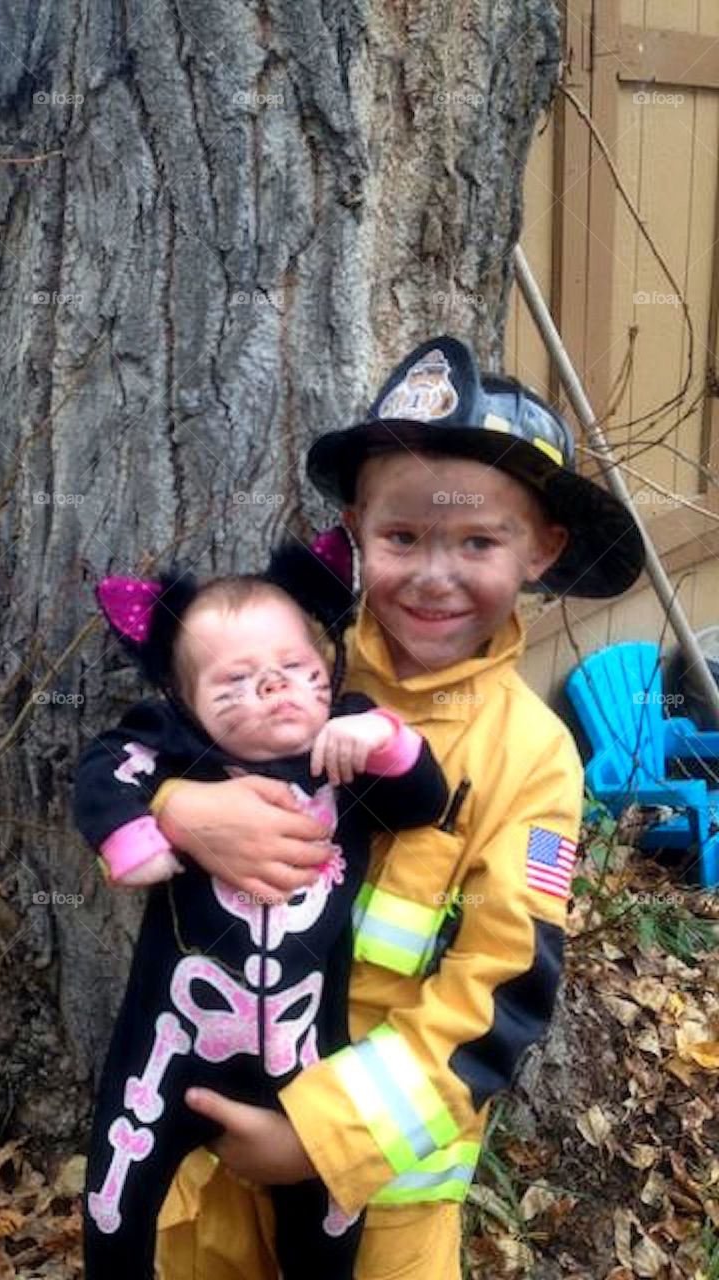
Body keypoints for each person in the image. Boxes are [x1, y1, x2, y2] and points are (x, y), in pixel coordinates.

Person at [146, 335, 646, 1280]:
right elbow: (148, 749)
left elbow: (499, 993)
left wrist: (318, 1137)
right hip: (210, 1158)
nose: (433, 575)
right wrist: (179, 810)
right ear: (355, 532)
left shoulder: (531, 758)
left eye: (479, 542)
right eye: (403, 538)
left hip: (380, 1197)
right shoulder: (288, 663)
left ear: (542, 549)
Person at [73, 533, 449, 1279]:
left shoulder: (345, 743)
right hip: (170, 1044)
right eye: (235, 683)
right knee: (115, 1203)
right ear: (184, 703)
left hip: (307, 1056)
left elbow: (423, 800)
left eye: (298, 670)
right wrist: (141, 826)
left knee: (328, 1225)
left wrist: (383, 739)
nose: (276, 690)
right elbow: (105, 766)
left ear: (327, 668)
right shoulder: (175, 747)